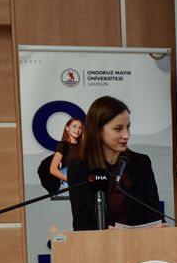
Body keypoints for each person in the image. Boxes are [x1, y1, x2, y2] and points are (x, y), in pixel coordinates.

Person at [67, 96, 163, 231]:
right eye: (118, 129)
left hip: (139, 243)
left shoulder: (141, 163)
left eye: (128, 127)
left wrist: (160, 228)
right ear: (98, 130)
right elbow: (80, 225)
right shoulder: (79, 169)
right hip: (98, 244)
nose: (126, 135)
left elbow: (154, 215)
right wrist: (108, 235)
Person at [50, 117, 83, 183]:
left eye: (80, 128)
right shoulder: (63, 145)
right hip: (68, 184)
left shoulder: (84, 146)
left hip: (82, 183)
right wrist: (70, 180)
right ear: (67, 128)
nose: (77, 130)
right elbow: (53, 169)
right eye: (74, 126)